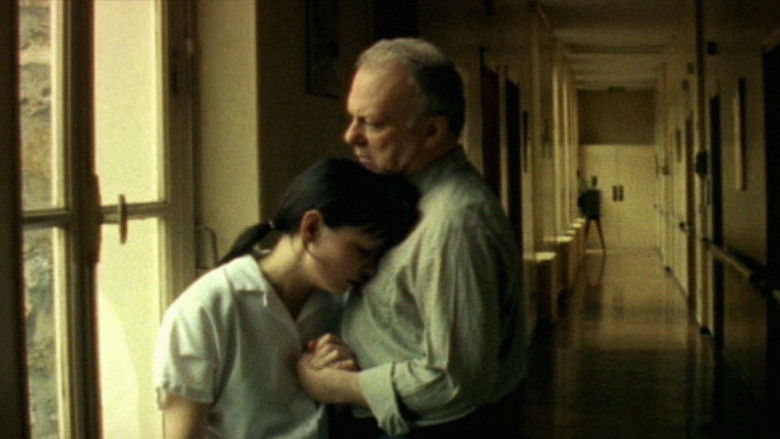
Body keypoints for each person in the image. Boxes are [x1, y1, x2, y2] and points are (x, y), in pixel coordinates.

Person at [297, 38, 526, 438]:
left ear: (432, 132)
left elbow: (456, 379)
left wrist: (339, 386)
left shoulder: (455, 224)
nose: (350, 136)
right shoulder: (403, 197)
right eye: (352, 118)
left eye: (373, 123)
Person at [153, 158, 419, 439]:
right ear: (311, 228)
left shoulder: (344, 303)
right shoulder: (205, 309)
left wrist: (342, 380)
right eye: (362, 251)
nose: (371, 269)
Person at [577, 176, 605, 250]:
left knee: (587, 231)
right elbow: (599, 203)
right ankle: (603, 247)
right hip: (595, 212)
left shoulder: (588, 192)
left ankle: (584, 247)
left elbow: (581, 202)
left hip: (590, 212)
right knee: (598, 231)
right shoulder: (597, 192)